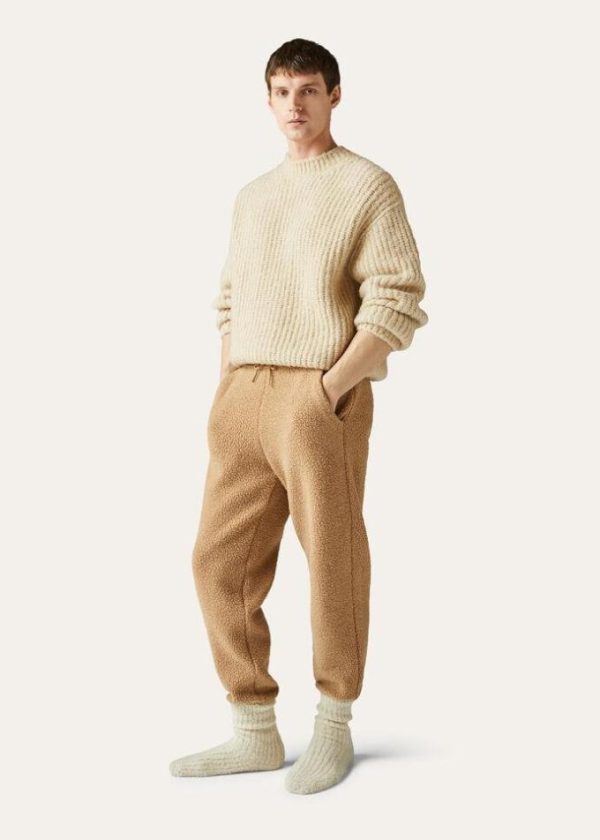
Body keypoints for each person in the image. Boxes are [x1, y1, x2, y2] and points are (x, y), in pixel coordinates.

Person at [169, 37, 428, 794]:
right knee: (217, 562)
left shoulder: (367, 185)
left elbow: (397, 294)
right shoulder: (253, 196)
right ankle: (253, 728)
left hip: (319, 396)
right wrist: (228, 381)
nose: (294, 105)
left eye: (308, 90)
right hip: (243, 396)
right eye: (281, 91)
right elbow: (230, 297)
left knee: (332, 560)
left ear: (334, 96)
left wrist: (332, 387)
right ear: (268, 99)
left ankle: (334, 722)